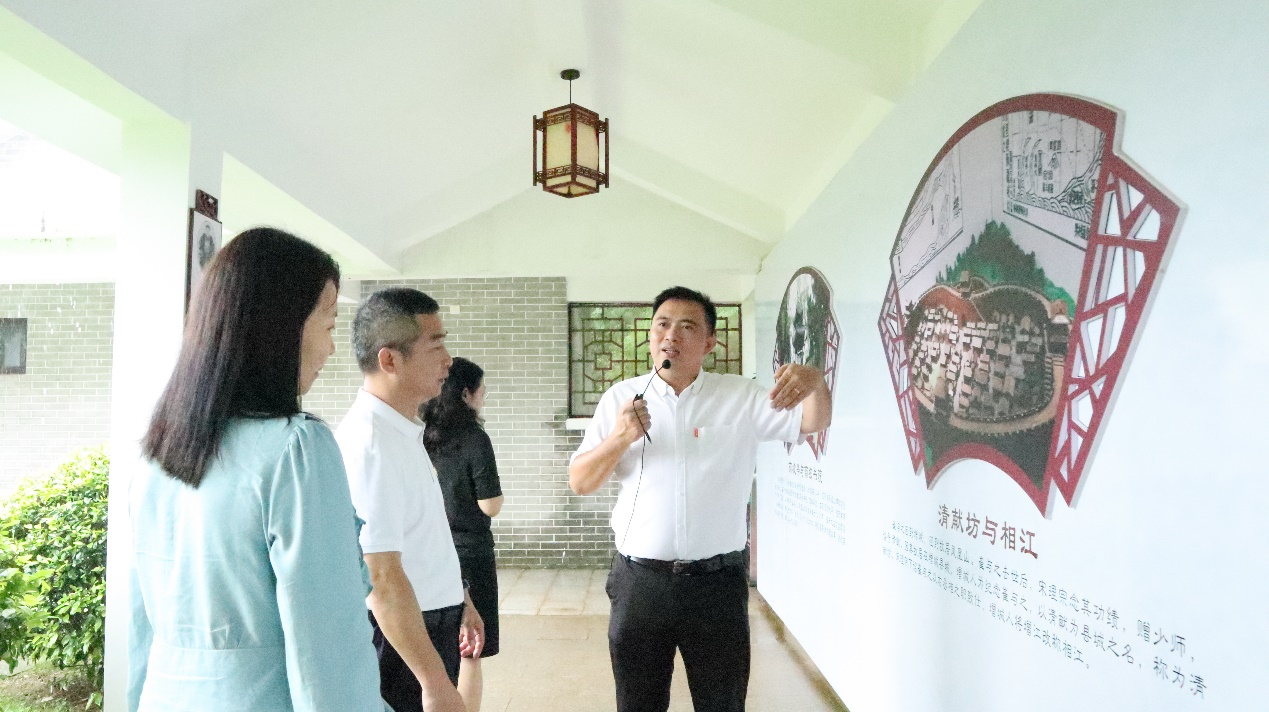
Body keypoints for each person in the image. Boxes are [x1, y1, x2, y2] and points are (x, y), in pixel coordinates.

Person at [129, 227, 387, 712]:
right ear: (280, 327)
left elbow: (137, 628)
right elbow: (327, 652)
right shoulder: (296, 451)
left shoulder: (156, 453)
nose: (331, 349)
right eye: (329, 325)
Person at [569, 286, 833, 712]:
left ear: (710, 342)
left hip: (717, 586)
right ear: (650, 335)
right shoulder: (620, 399)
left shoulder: (741, 396)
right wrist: (620, 437)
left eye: (687, 326)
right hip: (640, 584)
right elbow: (581, 482)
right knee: (637, 703)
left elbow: (812, 422)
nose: (670, 334)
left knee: (722, 702)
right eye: (662, 324)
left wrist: (815, 381)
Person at [337, 288, 482, 712]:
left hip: (431, 620)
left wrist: (462, 598)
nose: (448, 360)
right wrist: (434, 682)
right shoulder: (371, 445)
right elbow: (380, 577)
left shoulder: (401, 430)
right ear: (390, 360)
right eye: (435, 346)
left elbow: (422, 536)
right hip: (404, 638)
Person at [421, 358, 504, 712]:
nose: (484, 396)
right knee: (471, 650)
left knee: (432, 648)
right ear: (467, 394)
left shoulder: (421, 434)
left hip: (428, 553)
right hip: (471, 553)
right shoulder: (475, 438)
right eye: (482, 390)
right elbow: (490, 505)